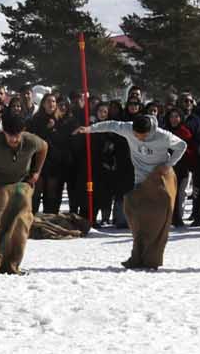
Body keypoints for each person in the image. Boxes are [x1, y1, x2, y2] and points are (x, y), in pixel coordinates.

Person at [78, 111, 190, 270]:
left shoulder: (163, 136)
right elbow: (110, 125)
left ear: (150, 131)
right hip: (141, 178)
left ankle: (152, 258)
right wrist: (89, 129)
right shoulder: (128, 128)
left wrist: (169, 164)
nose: (138, 139)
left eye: (142, 136)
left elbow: (182, 146)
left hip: (161, 178)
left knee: (158, 221)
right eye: (136, 135)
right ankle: (137, 256)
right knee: (135, 214)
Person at [0, 111, 47, 275]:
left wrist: (36, 172)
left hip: (19, 186)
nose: (13, 139)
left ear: (23, 130)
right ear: (3, 130)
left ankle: (11, 264)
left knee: (20, 224)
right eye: (9, 134)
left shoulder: (31, 141)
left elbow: (44, 147)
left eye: (17, 134)